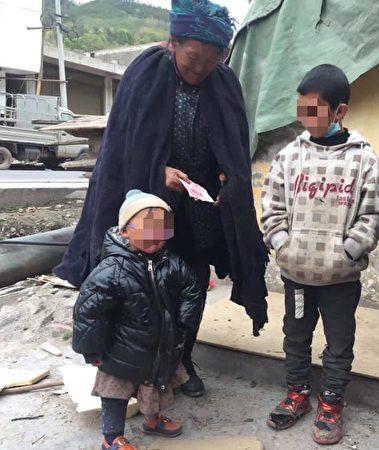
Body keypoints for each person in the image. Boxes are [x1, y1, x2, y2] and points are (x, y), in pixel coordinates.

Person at [55, 0, 269, 398]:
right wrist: (160, 173)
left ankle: (181, 361)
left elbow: (233, 143)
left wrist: (228, 175)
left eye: (211, 60)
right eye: (192, 59)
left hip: (197, 210)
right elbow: (126, 146)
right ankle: (136, 368)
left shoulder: (223, 82)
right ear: (173, 42)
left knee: (189, 286)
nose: (200, 69)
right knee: (143, 287)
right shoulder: (146, 72)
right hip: (149, 205)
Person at [261, 64, 379, 445]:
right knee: (295, 336)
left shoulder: (363, 158)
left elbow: (373, 213)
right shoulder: (289, 156)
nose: (306, 118)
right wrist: (284, 244)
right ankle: (297, 393)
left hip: (340, 279)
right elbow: (271, 206)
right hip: (296, 275)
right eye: (301, 110)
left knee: (339, 343)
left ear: (339, 111)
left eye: (314, 110)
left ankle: (331, 403)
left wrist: (349, 252)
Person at [72, 190, 203, 450]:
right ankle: (111, 437)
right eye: (146, 229)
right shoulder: (111, 271)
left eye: (161, 229)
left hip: (159, 347)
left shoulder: (171, 262)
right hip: (121, 351)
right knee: (115, 394)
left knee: (156, 386)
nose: (154, 236)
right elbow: (89, 312)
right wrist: (91, 349)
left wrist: (185, 321)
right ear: (124, 232)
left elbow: (192, 288)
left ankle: (152, 420)